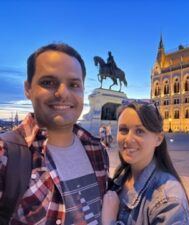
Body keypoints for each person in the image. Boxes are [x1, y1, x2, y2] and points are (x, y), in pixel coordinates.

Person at [0, 43, 109, 224]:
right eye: (48, 82)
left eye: (74, 84)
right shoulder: (5, 155)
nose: (62, 93)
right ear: (28, 89)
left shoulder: (98, 150)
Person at [101, 101, 189, 225]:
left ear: (158, 139)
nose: (128, 139)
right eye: (123, 130)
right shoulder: (120, 177)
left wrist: (109, 221)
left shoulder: (169, 201)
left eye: (140, 131)